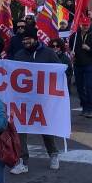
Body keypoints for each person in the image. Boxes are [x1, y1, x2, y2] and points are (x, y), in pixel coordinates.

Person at [11, 28, 63, 172]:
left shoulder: (48, 53)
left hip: (43, 99)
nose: (25, 41)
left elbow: (63, 70)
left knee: (45, 127)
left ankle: (53, 154)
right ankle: (23, 161)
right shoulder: (19, 55)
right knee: (20, 128)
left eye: (28, 38)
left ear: (35, 39)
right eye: (23, 39)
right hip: (23, 99)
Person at [71, 17, 92, 118]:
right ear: (80, 24)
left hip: (89, 64)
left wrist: (89, 49)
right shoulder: (75, 35)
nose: (85, 27)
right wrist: (71, 53)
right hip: (77, 64)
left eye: (87, 25)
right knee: (80, 87)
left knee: (89, 86)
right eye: (83, 25)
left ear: (89, 25)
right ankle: (84, 106)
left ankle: (90, 108)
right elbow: (71, 47)